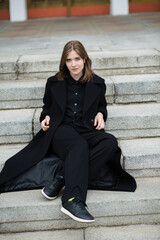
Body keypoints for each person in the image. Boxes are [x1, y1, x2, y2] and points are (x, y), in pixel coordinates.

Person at [0, 41, 136, 223]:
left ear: (85, 59)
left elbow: (102, 106)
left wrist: (101, 114)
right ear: (64, 62)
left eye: (77, 59)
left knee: (109, 142)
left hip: (85, 128)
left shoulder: (98, 83)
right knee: (78, 145)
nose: (73, 64)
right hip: (60, 130)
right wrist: (45, 117)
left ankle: (62, 178)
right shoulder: (54, 82)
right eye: (69, 60)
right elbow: (47, 107)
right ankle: (72, 199)